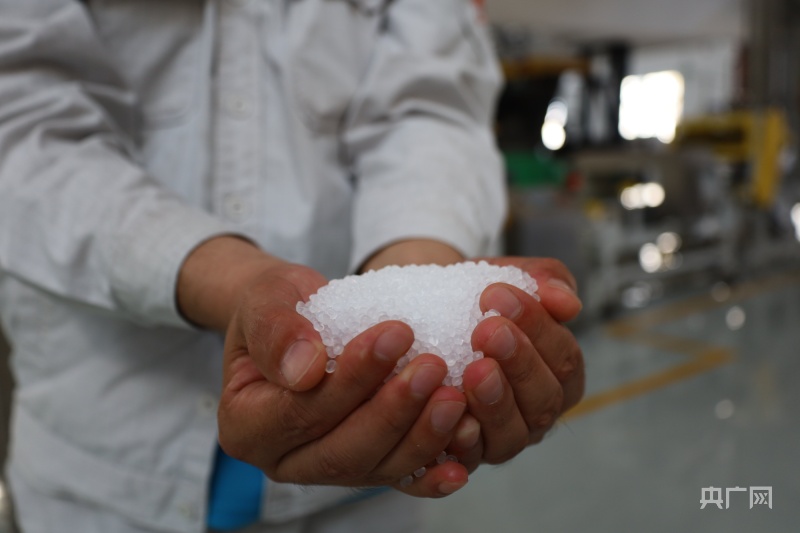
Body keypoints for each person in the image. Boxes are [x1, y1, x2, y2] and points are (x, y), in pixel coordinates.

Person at [0, 1, 585, 532]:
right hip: (102, 471)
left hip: (367, 484)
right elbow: (24, 125)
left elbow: (429, 106)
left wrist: (422, 303)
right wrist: (236, 282)